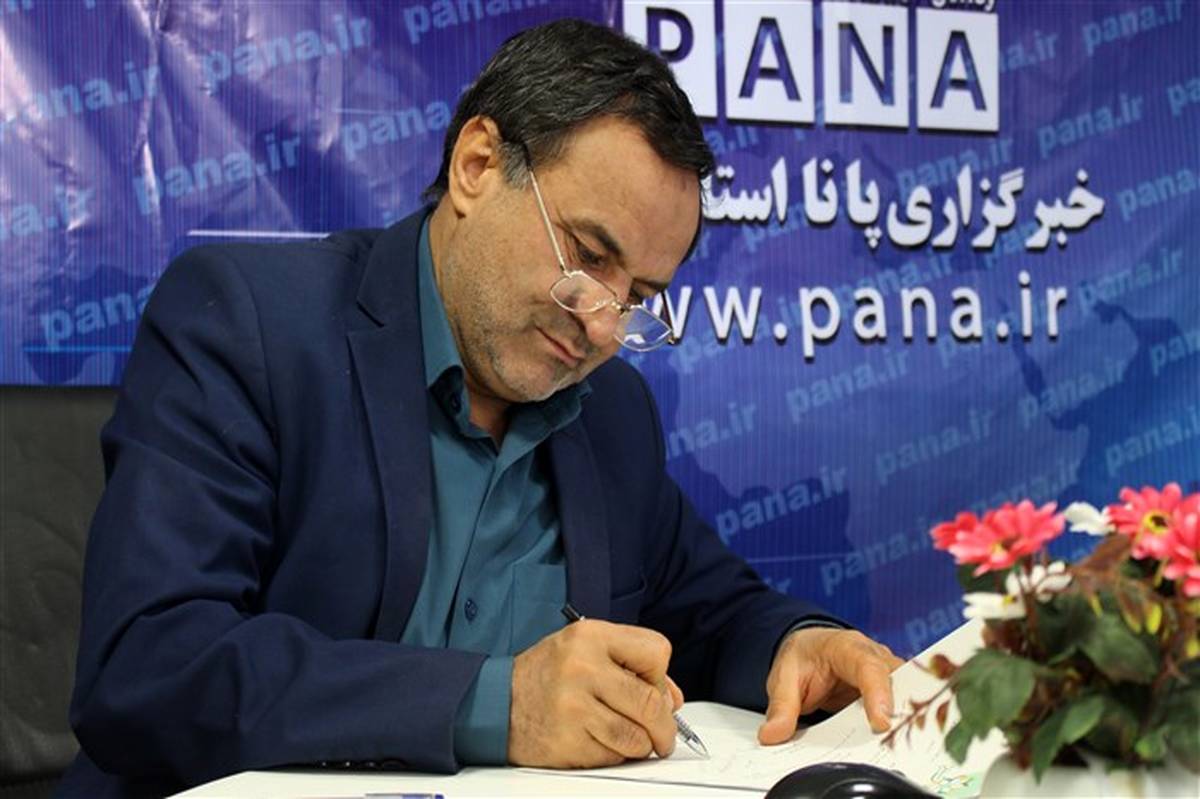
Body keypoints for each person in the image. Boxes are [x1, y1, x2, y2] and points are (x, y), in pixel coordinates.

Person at [58, 18, 901, 798]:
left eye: (639, 296)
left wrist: (795, 641)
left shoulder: (612, 409)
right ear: (477, 166)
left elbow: (709, 608)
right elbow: (149, 666)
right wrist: (497, 702)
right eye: (587, 255)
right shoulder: (251, 327)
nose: (603, 324)